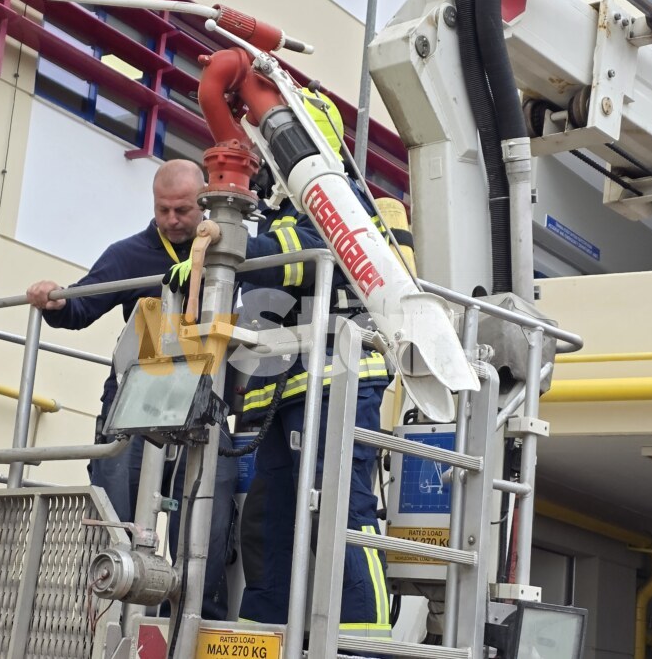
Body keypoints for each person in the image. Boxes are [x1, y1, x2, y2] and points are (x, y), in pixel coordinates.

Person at [25, 159, 238, 621]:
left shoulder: (231, 255)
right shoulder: (130, 255)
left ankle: (193, 620)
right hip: (137, 406)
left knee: (210, 512)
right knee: (116, 513)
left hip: (205, 407)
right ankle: (110, 619)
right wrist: (54, 301)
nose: (172, 219)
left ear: (204, 203)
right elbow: (80, 307)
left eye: (183, 210)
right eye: (163, 210)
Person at [234, 91, 393, 640]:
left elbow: (300, 256)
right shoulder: (281, 211)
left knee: (341, 512)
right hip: (285, 393)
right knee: (268, 520)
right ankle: (260, 636)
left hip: (339, 381)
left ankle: (360, 640)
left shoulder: (338, 198)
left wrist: (229, 248)